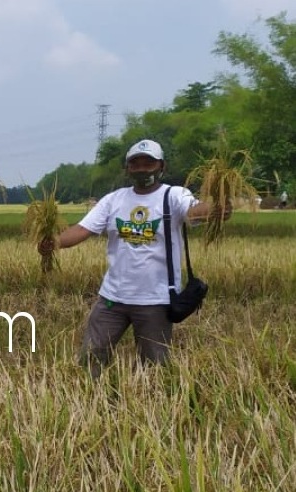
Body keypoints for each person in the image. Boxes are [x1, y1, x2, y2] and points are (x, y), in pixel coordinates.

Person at [38, 139, 232, 377]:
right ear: (128, 168)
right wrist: (54, 244)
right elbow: (81, 229)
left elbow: (195, 211)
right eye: (136, 163)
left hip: (155, 301)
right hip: (112, 298)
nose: (142, 168)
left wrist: (218, 206)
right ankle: (89, 401)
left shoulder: (173, 196)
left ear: (162, 166)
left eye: (148, 163)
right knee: (90, 359)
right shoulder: (114, 199)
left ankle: (152, 407)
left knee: (155, 368)